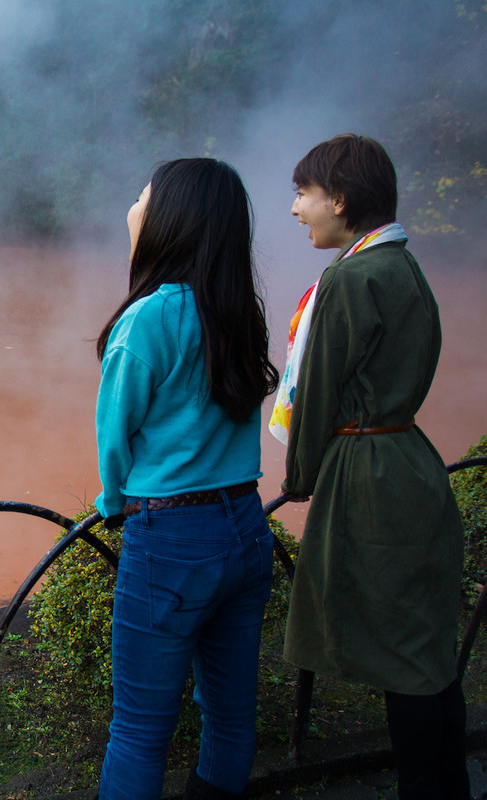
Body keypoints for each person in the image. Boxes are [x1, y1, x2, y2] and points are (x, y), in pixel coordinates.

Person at [275, 133, 469, 799]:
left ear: (339, 198)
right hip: (412, 458)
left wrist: (299, 479)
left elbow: (316, 394)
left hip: (370, 474)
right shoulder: (404, 265)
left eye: (303, 193)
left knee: (404, 662)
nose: (296, 208)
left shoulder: (350, 278)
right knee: (427, 653)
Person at [94, 158, 280, 800]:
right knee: (229, 715)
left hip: (171, 539)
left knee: (139, 729)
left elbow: (114, 439)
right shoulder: (239, 313)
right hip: (247, 527)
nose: (133, 207)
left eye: (142, 197)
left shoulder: (147, 319)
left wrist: (112, 503)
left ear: (169, 219)